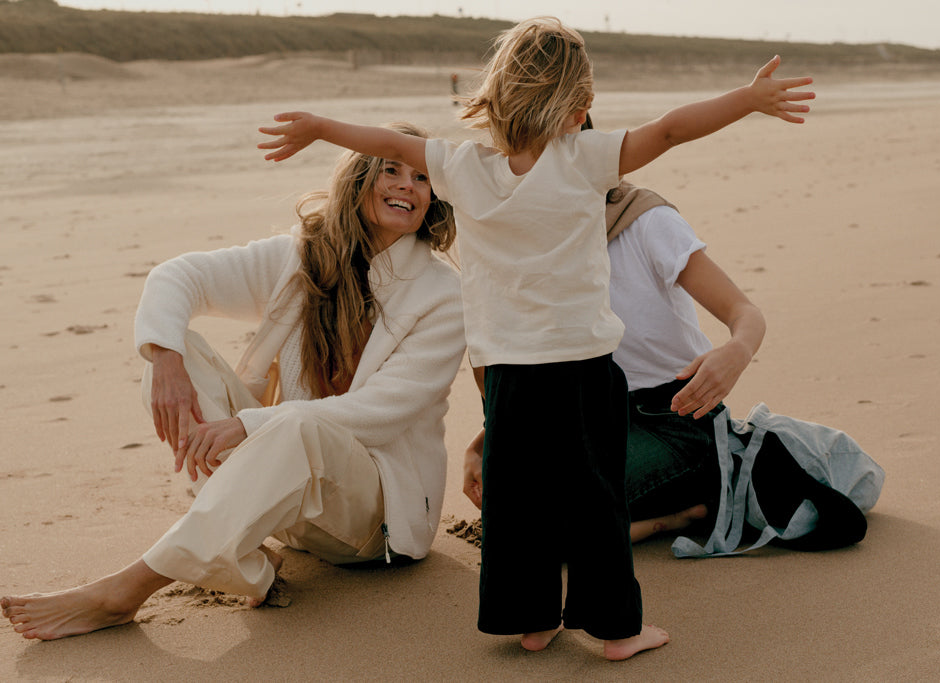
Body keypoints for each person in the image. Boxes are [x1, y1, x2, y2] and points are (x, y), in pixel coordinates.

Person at [256, 17, 813, 660]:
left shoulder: (462, 168)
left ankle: (531, 622)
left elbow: (387, 139)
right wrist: (747, 99)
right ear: (577, 108)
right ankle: (617, 631)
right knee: (593, 496)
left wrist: (321, 126)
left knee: (517, 501)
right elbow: (669, 129)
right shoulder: (584, 161)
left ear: (494, 97)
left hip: (507, 377)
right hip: (581, 369)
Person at [1, 123, 465, 641]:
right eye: (391, 169)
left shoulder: (442, 295)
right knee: (177, 351)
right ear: (358, 180)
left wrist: (251, 423)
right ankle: (242, 550)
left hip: (371, 521)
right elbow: (178, 276)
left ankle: (126, 589)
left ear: (434, 199)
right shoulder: (302, 256)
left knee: (294, 427)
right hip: (282, 496)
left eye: (422, 177)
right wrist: (167, 361)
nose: (406, 185)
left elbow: (382, 413)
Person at [463, 179, 878, 553]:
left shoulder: (642, 218)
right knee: (511, 509)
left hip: (675, 420)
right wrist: (482, 444)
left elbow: (743, 311)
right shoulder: (526, 243)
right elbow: (529, 372)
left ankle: (680, 506)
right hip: (591, 419)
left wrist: (736, 351)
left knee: (534, 527)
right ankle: (678, 514)